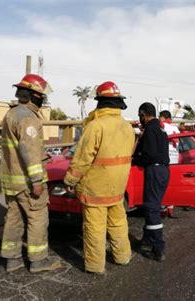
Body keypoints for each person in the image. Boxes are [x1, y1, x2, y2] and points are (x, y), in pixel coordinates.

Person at [63, 81, 135, 274]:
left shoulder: (95, 126)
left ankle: (95, 266)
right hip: (118, 187)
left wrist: (70, 180)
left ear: (100, 102)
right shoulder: (128, 127)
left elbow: (82, 159)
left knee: (95, 228)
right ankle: (123, 256)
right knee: (118, 223)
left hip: (96, 188)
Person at [0, 74, 61, 273]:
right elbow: (29, 150)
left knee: (14, 218)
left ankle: (12, 259)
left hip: (12, 180)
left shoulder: (11, 114)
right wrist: (36, 180)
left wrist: (43, 156)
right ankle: (38, 260)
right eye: (41, 95)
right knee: (38, 217)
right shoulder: (28, 118)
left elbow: (19, 149)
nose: (43, 99)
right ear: (34, 95)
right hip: (27, 182)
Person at [133, 102, 170, 262]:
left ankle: (158, 247)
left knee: (151, 209)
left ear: (143, 114)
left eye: (140, 116)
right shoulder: (160, 128)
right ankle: (147, 241)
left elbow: (147, 155)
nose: (139, 119)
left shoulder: (150, 130)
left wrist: (134, 159)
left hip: (154, 170)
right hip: (163, 170)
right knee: (152, 205)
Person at [158, 110, 180, 217]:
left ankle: (162, 209)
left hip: (164, 160)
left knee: (162, 185)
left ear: (162, 117)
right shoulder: (175, 128)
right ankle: (170, 208)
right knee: (171, 185)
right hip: (175, 159)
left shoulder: (162, 126)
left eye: (159, 117)